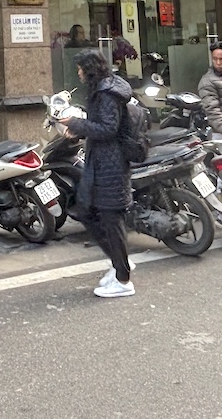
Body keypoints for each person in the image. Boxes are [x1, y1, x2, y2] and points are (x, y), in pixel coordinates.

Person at [55, 49, 134, 298]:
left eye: (80, 68)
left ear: (90, 69)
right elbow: (99, 125)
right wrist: (79, 130)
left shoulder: (107, 94)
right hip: (99, 161)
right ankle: (119, 262)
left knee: (110, 218)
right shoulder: (101, 89)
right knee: (87, 210)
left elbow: (108, 128)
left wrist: (76, 124)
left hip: (111, 164)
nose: (78, 73)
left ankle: (123, 279)